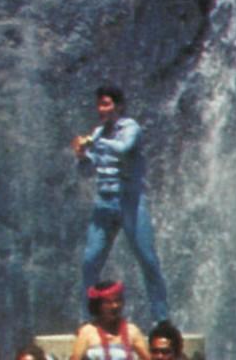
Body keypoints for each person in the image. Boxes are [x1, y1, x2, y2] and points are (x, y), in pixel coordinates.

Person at [71, 86, 168, 322]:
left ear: (119, 106)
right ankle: (88, 319)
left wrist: (95, 142)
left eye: (106, 104)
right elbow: (87, 171)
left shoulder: (130, 128)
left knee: (148, 260)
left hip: (130, 203)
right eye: (99, 105)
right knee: (90, 262)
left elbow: (124, 149)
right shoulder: (98, 133)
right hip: (104, 203)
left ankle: (161, 319)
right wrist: (82, 156)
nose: (101, 109)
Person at [71, 280, 150, 360]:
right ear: (97, 305)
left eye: (117, 301)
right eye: (108, 302)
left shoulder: (132, 331)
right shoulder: (87, 332)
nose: (114, 306)